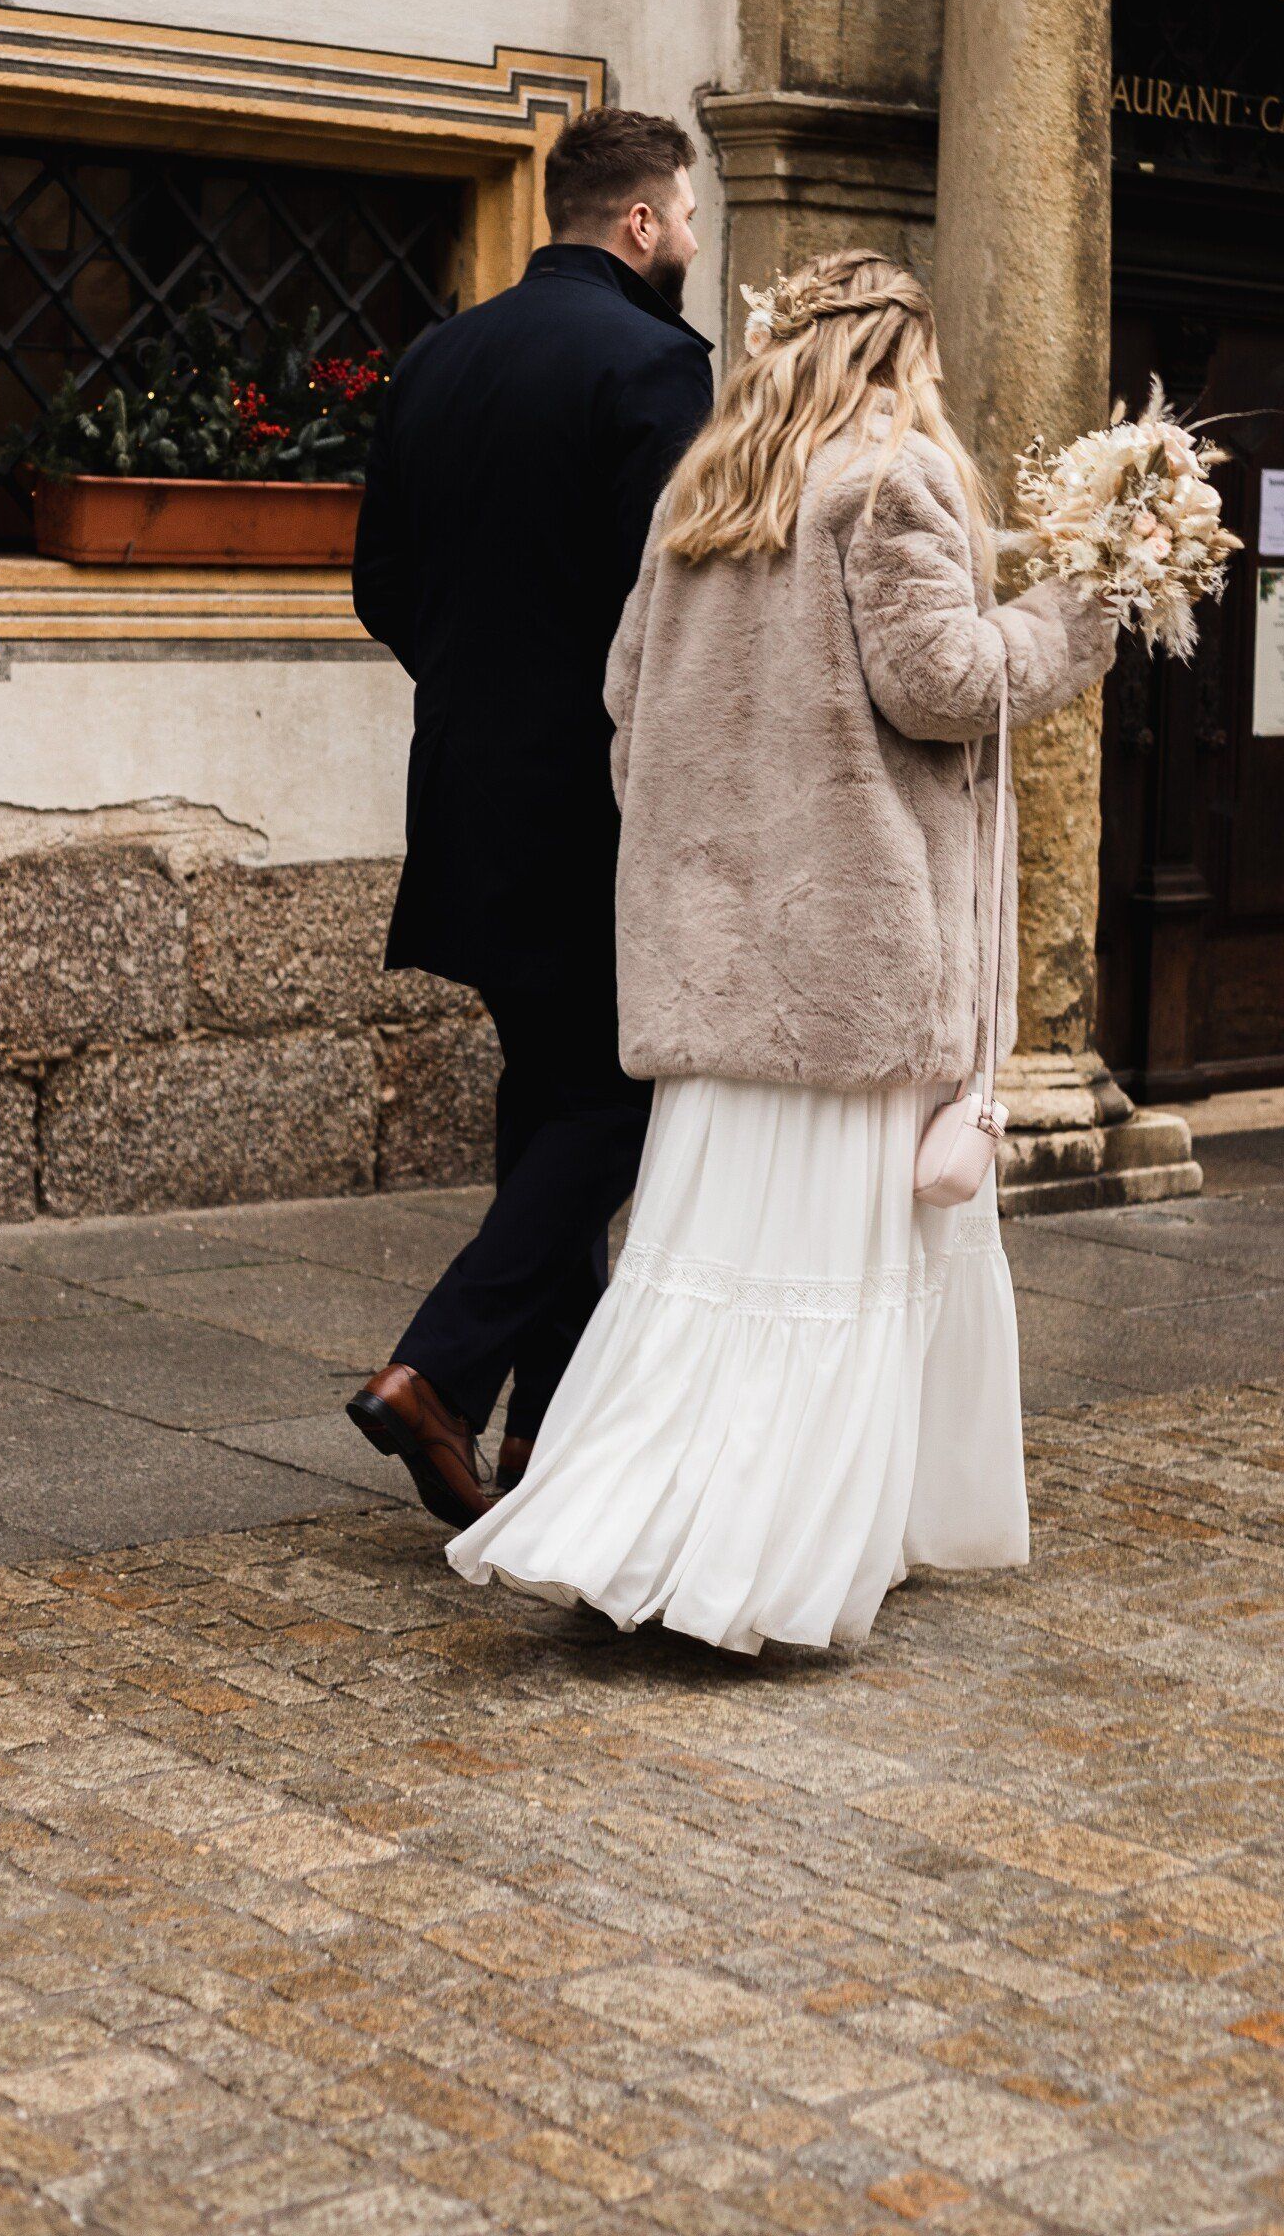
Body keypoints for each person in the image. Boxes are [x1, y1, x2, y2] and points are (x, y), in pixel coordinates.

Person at [447, 251, 1117, 1653]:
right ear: (898, 351)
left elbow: (626, 698)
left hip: (715, 962)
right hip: (853, 962)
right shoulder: (889, 480)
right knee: (834, 1265)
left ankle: (625, 1524)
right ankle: (767, 1563)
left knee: (705, 1263)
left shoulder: (701, 497)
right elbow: (946, 686)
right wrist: (1077, 613)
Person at [346, 108, 714, 1526]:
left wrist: (481, 689)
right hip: (597, 804)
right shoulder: (657, 363)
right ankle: (437, 1373)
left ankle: (540, 1438)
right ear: (637, 224)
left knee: (548, 1092)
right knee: (620, 1101)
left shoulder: (437, 355)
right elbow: (677, 610)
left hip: (464, 792)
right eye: (681, 218)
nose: (686, 240)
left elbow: (381, 584)